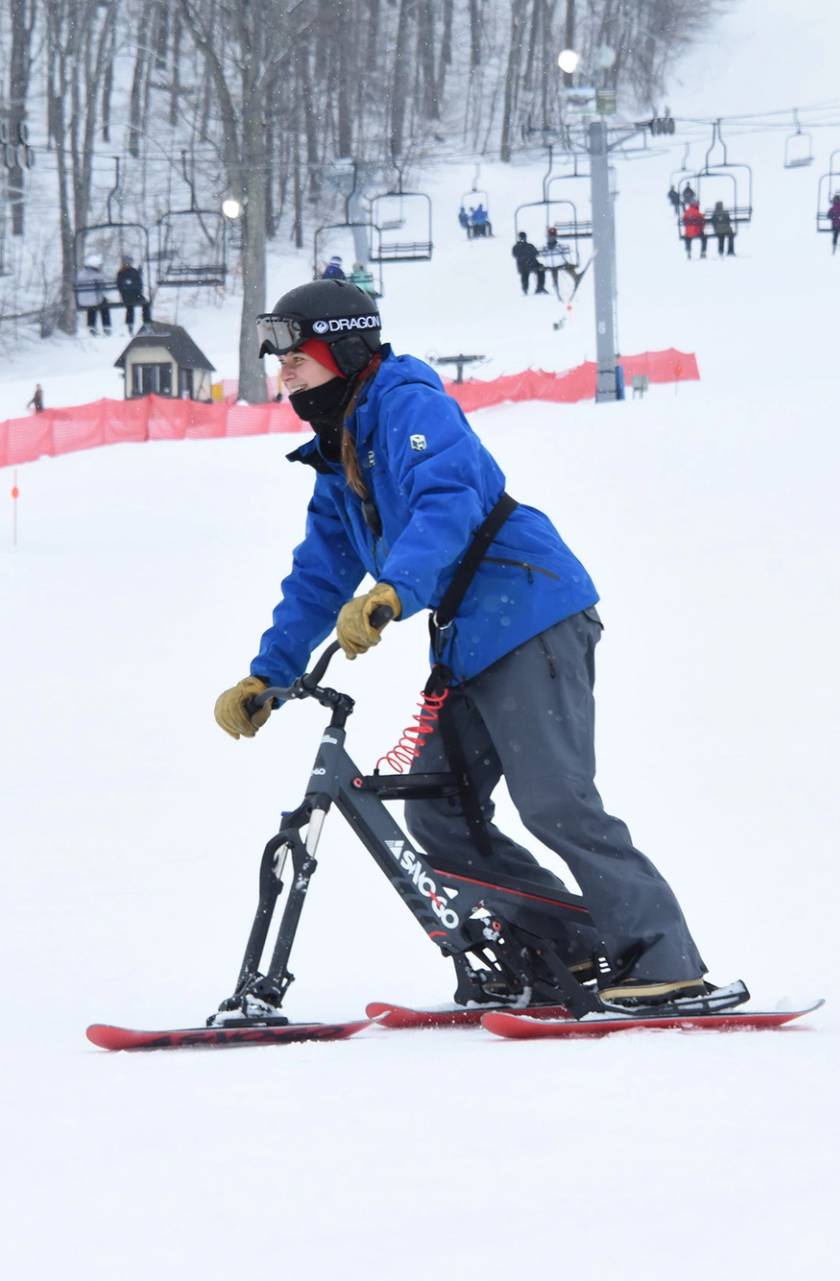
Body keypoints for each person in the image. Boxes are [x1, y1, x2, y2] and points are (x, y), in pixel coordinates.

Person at [221, 279, 716, 1009]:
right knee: (439, 809)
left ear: (344, 344)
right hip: (467, 640)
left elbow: (447, 500)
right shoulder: (340, 451)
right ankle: (571, 946)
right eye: (279, 357)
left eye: (296, 352)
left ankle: (663, 957)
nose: (283, 369)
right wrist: (267, 674)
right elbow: (318, 575)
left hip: (530, 608)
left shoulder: (406, 401)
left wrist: (395, 589)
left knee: (556, 800)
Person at [539, 229, 582, 299]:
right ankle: (575, 277)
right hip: (557, 264)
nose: (552, 238)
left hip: (552, 265)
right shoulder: (558, 246)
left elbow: (543, 255)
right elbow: (565, 253)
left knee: (558, 268)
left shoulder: (547, 247)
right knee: (566, 266)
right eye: (552, 236)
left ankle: (556, 285)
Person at [75, 256, 112, 335]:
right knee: (104, 304)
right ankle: (106, 326)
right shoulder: (97, 275)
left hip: (82, 300)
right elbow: (103, 288)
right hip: (94, 300)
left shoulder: (80, 274)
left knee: (91, 307)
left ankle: (91, 326)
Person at [115, 257, 148, 331]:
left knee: (131, 306)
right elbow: (138, 284)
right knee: (143, 304)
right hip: (134, 295)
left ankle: (131, 324)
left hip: (127, 296)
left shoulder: (121, 273)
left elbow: (119, 286)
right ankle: (146, 322)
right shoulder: (128, 272)